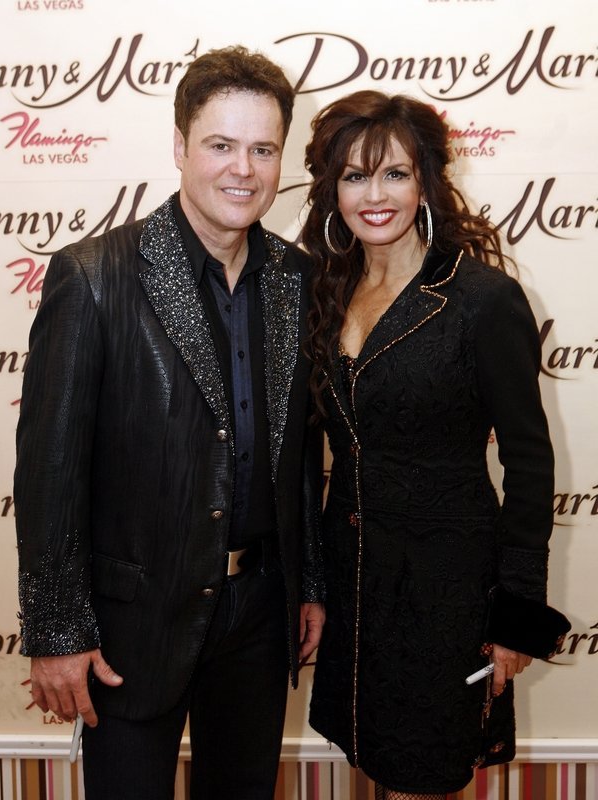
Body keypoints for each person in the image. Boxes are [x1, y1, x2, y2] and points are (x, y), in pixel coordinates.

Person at [14, 45, 325, 800]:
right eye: (221, 145)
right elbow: (50, 471)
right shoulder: (94, 276)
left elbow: (301, 454)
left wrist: (309, 582)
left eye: (263, 149)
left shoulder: (298, 278)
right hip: (131, 624)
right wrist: (57, 632)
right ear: (180, 147)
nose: (243, 170)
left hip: (259, 614)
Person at [302, 90, 556, 799]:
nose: (374, 196)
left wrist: (515, 616)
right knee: (372, 764)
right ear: (333, 190)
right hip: (355, 588)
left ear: (426, 183)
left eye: (395, 174)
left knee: (424, 774)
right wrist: (314, 583)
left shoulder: (481, 299)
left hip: (447, 594)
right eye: (355, 176)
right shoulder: (326, 291)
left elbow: (529, 461)